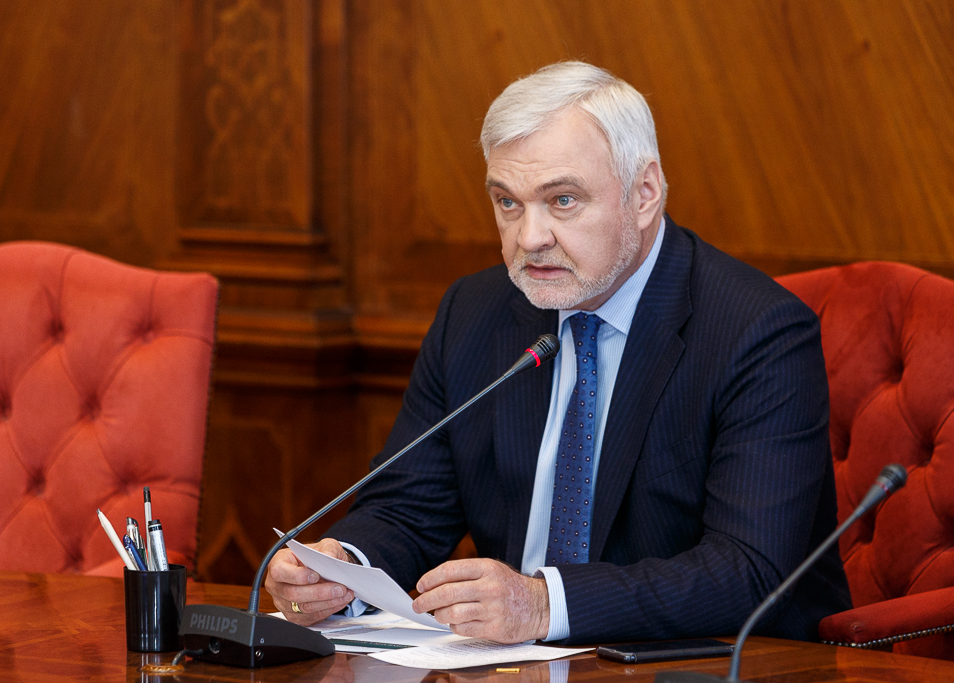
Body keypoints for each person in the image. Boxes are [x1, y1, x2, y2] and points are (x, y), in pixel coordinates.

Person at [265, 61, 851, 645]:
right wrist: (343, 567)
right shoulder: (475, 311)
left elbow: (748, 571)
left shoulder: (757, 332)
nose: (530, 238)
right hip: (509, 665)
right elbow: (408, 507)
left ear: (644, 193)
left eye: (563, 200)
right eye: (508, 202)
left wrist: (545, 605)